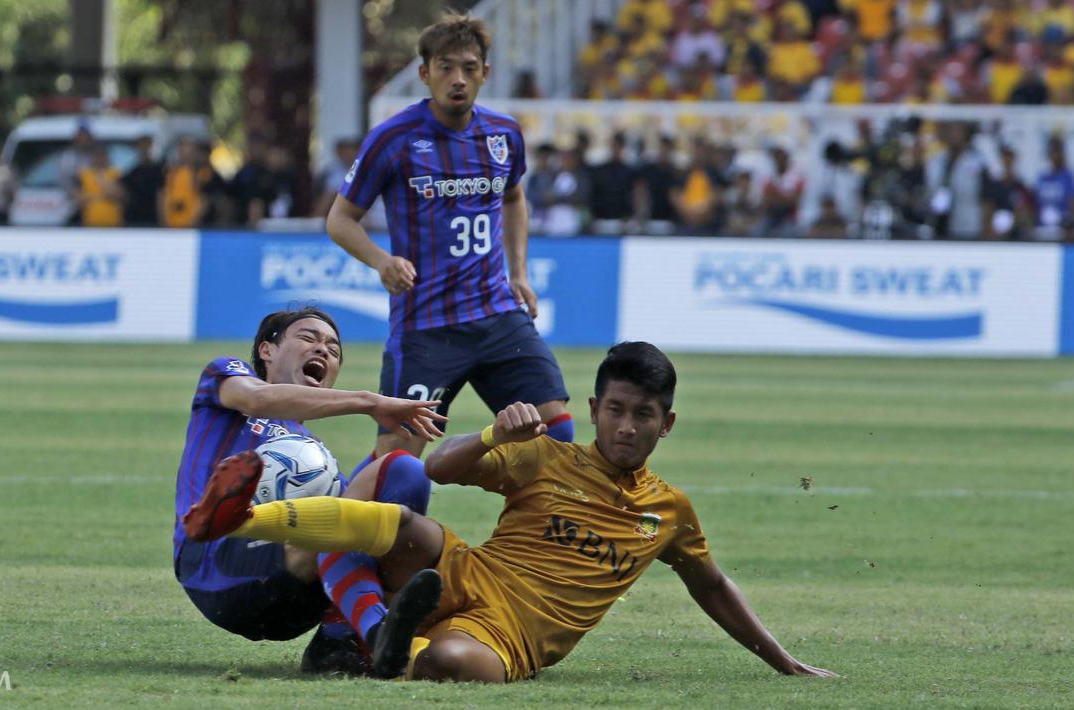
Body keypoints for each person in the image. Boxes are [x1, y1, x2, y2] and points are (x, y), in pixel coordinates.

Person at [188, 342, 836, 683]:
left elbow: (712, 586)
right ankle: (240, 521)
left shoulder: (668, 512)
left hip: (511, 637)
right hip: (463, 572)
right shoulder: (546, 456)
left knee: (453, 664)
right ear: (593, 410)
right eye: (615, 410)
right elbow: (439, 468)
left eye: (643, 415)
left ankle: (391, 644)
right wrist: (494, 434)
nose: (626, 426)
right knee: (403, 519)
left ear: (666, 424)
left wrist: (782, 661)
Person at [325, 13, 573, 467]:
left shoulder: (504, 134)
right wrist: (382, 261)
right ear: (425, 73)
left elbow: (514, 197)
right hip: (427, 325)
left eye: (469, 67)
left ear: (485, 73)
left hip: (497, 314)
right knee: (398, 465)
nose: (457, 78)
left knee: (554, 429)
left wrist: (519, 273)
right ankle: (338, 510)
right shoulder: (393, 139)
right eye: (445, 67)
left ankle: (525, 515)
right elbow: (340, 219)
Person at [173, 307, 448, 677]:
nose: (323, 350)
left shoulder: (314, 455)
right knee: (343, 521)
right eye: (308, 338)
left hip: (294, 596)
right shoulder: (227, 379)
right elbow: (256, 399)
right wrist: (370, 401)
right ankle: (374, 631)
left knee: (403, 470)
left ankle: (343, 641)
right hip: (214, 565)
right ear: (267, 350)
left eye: (333, 350)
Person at [75, 144, 124, 227]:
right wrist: (102, 196)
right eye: (97, 155)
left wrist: (102, 179)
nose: (100, 159)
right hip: (90, 223)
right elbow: (79, 200)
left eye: (103, 155)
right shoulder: (84, 174)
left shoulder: (116, 173)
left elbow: (118, 196)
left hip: (113, 222)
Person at [121, 136, 163, 227]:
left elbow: (162, 195)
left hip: (154, 219)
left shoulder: (160, 170)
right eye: (142, 147)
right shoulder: (133, 172)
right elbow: (123, 193)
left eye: (147, 147)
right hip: (134, 218)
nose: (144, 150)